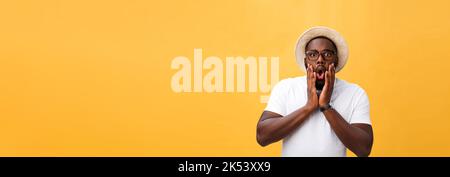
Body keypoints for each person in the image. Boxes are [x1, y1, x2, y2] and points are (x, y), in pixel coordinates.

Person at [256, 26, 373, 157]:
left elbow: (363, 149)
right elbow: (262, 136)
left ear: (336, 60)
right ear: (306, 62)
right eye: (313, 54)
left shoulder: (355, 93)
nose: (320, 60)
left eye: (327, 54)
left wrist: (326, 107)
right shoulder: (286, 88)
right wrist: (308, 107)